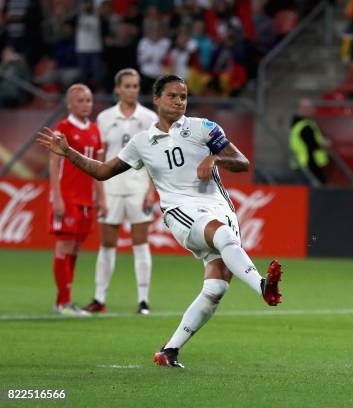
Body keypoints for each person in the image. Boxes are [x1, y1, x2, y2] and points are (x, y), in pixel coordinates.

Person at [37, 74, 284, 368]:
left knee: (216, 288)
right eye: (172, 96)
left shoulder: (204, 128)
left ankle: (169, 351)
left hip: (219, 207)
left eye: (183, 96)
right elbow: (103, 171)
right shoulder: (142, 142)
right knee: (222, 237)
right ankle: (262, 286)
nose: (179, 102)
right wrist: (67, 152)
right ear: (156, 99)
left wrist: (215, 159)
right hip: (180, 211)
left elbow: (242, 163)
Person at [83, 68, 158, 315]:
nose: (132, 90)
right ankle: (99, 297)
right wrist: (99, 193)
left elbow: (153, 159)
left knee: (140, 242)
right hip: (111, 188)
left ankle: (143, 300)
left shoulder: (148, 118)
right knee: (107, 244)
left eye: (135, 86)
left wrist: (151, 191)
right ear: (117, 88)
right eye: (127, 86)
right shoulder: (105, 118)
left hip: (138, 186)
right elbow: (99, 158)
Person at [47, 84, 104, 316]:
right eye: (79, 100)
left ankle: (63, 301)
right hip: (68, 196)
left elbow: (99, 167)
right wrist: (56, 197)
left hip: (86, 199)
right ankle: (64, 302)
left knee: (76, 248)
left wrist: (101, 197)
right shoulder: (62, 128)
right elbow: (53, 163)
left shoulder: (94, 130)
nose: (85, 104)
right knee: (64, 246)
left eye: (88, 100)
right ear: (69, 104)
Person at [289, 98, 330, 184]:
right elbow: (312, 144)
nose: (311, 109)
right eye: (308, 108)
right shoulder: (304, 126)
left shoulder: (300, 124)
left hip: (303, 163)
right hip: (308, 163)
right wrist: (323, 143)